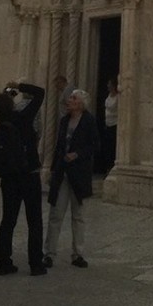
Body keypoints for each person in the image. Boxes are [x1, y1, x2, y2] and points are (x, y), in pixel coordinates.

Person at [0, 80, 47, 277]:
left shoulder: (0, 124)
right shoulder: (24, 118)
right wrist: (19, 86)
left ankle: (4, 263)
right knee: (34, 220)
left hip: (9, 178)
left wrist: (7, 95)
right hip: (29, 175)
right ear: (12, 104)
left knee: (8, 220)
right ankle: (36, 264)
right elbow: (40, 92)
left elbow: (3, 106)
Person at [44, 88, 98, 268]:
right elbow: (58, 147)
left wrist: (77, 154)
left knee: (78, 215)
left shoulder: (88, 121)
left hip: (79, 173)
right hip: (62, 172)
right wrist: (52, 170)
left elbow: (94, 145)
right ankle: (49, 253)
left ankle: (78, 254)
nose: (70, 100)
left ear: (80, 104)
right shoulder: (64, 120)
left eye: (73, 98)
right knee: (56, 214)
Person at [101, 75, 119, 173]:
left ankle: (112, 168)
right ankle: (107, 168)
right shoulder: (108, 96)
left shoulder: (118, 97)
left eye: (109, 84)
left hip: (114, 124)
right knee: (106, 147)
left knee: (112, 147)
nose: (108, 85)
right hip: (107, 124)